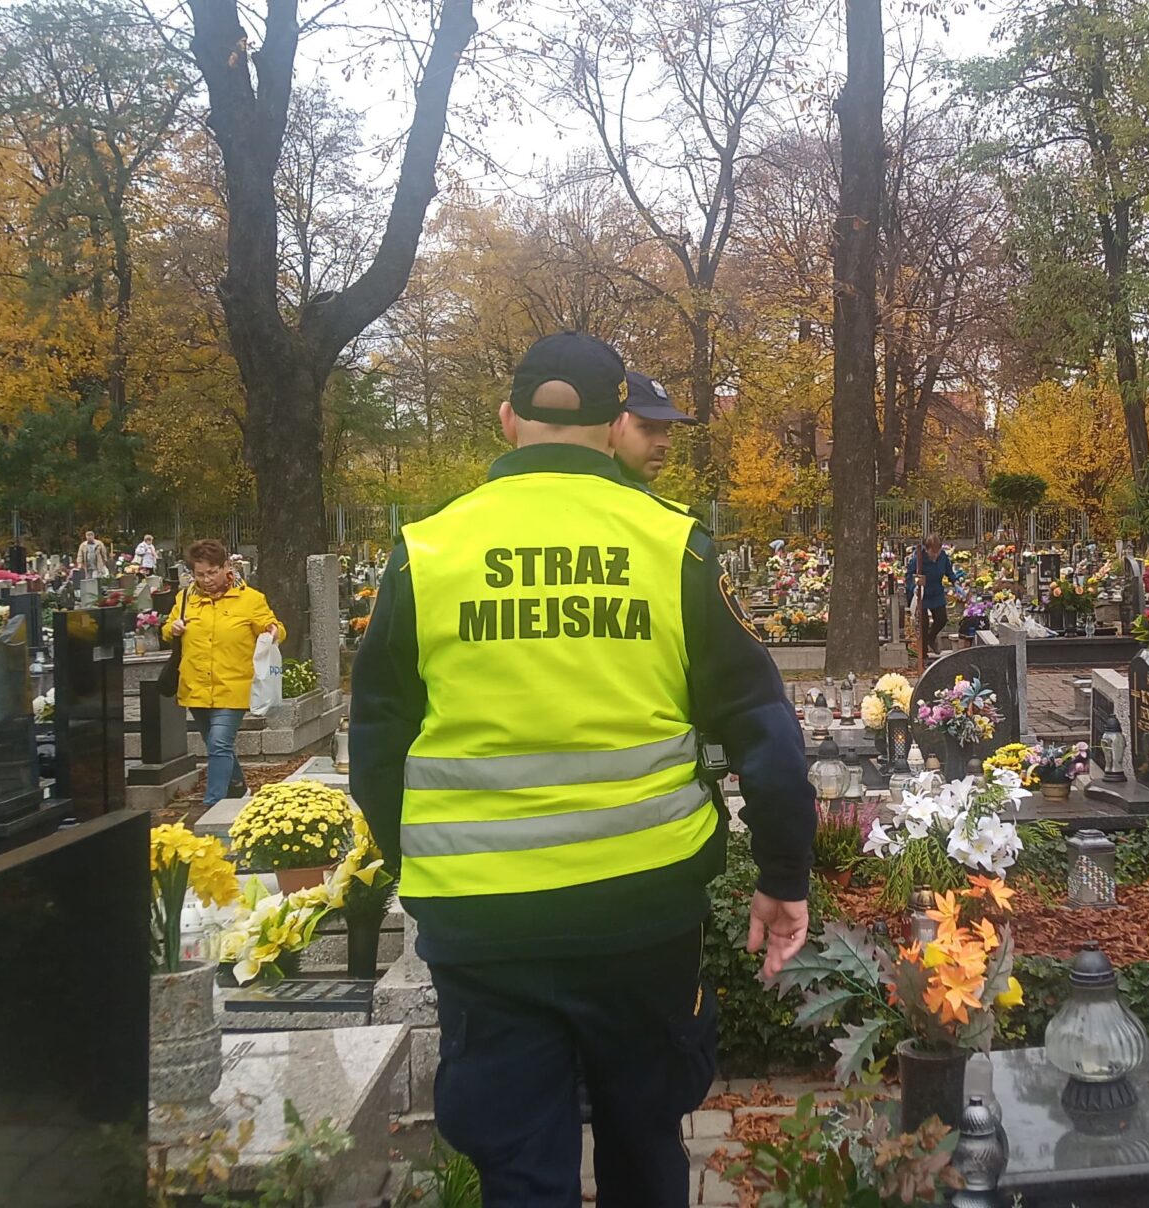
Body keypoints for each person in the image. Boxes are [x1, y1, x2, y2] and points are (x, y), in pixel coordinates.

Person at [350, 332, 814, 1207]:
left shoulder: (427, 550)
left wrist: (422, 871)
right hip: (643, 913)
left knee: (520, 1169)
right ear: (613, 426)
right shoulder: (673, 546)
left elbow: (376, 745)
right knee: (645, 1142)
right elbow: (764, 728)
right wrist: (783, 874)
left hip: (481, 921)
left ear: (507, 419)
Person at [164, 538, 284, 807]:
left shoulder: (250, 599)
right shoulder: (185, 599)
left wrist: (273, 631)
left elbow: (273, 625)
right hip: (195, 685)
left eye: (212, 572)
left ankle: (213, 805)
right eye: (200, 574)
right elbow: (168, 628)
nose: (206, 580)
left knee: (219, 742)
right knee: (216, 744)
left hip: (233, 685)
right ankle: (238, 787)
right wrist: (173, 628)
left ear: (226, 566)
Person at [610, 370, 700, 487]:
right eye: (647, 427)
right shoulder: (594, 494)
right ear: (611, 425)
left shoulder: (636, 496)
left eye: (666, 429)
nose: (666, 444)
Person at [901, 535, 953, 657]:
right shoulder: (918, 559)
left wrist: (955, 582)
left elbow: (949, 571)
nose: (935, 555)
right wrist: (915, 586)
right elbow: (909, 576)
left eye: (937, 552)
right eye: (932, 552)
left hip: (936, 592)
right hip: (922, 594)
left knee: (941, 619)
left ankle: (931, 637)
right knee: (923, 624)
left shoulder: (943, 557)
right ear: (926, 549)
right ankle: (923, 653)